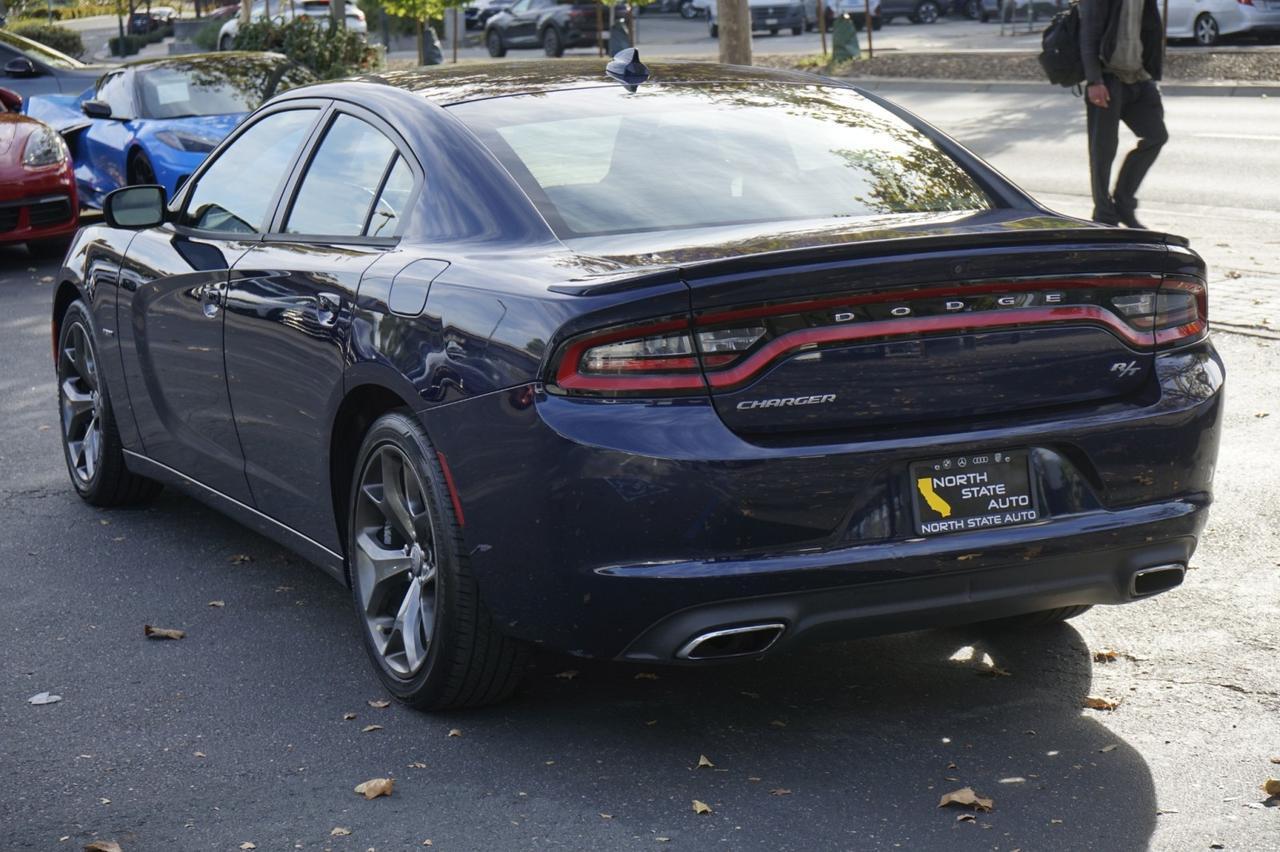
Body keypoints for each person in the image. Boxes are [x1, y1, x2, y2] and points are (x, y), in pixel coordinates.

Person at [1079, 0, 1167, 228]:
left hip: (1138, 77)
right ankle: (1104, 215)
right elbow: (1088, 33)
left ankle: (1124, 204)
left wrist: (1152, 76)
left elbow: (1149, 28)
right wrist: (1094, 80)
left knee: (1156, 135)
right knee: (1103, 151)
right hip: (1107, 78)